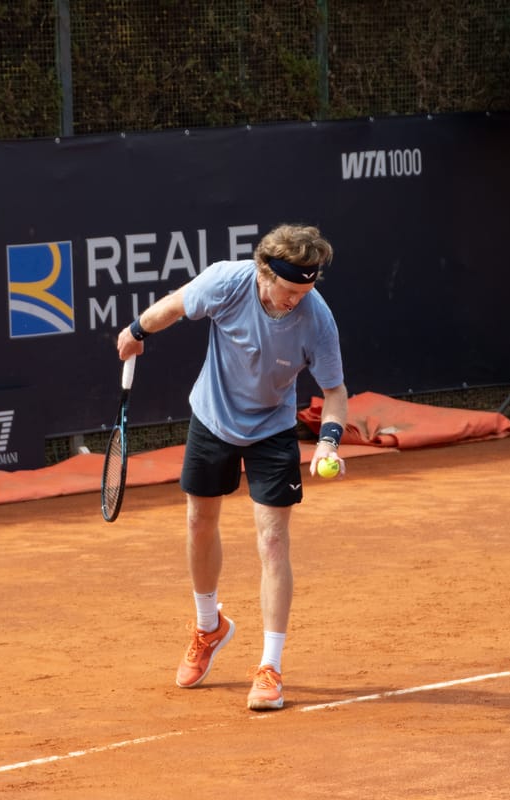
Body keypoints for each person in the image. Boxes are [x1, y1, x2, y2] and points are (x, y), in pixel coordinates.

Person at [116, 223, 347, 711]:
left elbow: (334, 394)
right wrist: (136, 331)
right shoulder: (227, 280)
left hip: (273, 429)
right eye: (287, 290)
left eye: (304, 291)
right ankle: (209, 627)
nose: (294, 300)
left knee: (273, 540)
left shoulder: (316, 318)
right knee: (200, 522)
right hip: (213, 418)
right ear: (264, 273)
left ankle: (270, 667)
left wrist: (328, 442)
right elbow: (176, 305)